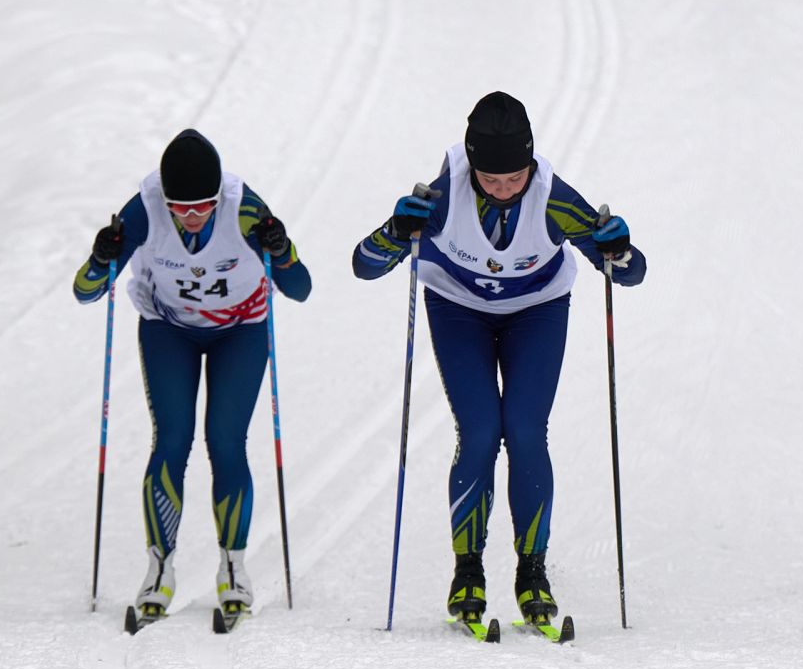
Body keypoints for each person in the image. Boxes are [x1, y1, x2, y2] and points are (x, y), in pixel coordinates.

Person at [351, 91, 646, 628]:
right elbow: (364, 266)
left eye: (516, 179)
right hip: (458, 309)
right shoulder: (442, 195)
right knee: (481, 430)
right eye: (491, 180)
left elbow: (629, 273)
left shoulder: (554, 197)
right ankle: (468, 569)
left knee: (526, 430)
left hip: (536, 311)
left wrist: (618, 247)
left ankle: (532, 572)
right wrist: (396, 232)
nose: (506, 191)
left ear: (531, 162)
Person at [73, 129, 312, 622]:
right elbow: (86, 292)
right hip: (168, 331)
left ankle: (232, 568)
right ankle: (159, 571)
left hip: (240, 331)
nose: (191, 217)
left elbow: (300, 287)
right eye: (180, 207)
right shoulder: (145, 207)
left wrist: (281, 248)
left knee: (225, 441)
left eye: (202, 205)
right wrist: (101, 257)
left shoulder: (243, 207)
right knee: (171, 441)